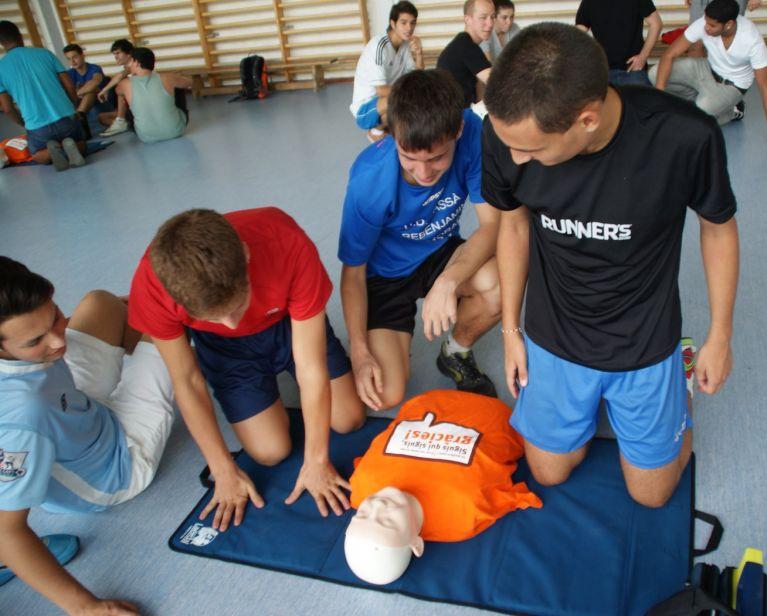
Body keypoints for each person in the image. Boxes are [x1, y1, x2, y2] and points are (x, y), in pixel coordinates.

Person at [482, 24, 739, 508]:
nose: (515, 158)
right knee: (549, 473)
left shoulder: (684, 136)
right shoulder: (506, 131)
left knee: (652, 496)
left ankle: (676, 388)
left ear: (587, 119)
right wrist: (511, 331)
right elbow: (513, 226)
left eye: (531, 150)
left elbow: (718, 228)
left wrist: (720, 336)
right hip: (556, 328)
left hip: (643, 335)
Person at [128, 207, 365, 531]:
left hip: (287, 322)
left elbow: (311, 366)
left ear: (245, 254)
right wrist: (222, 469)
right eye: (215, 317)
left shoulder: (286, 241)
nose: (231, 322)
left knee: (348, 418)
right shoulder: (151, 284)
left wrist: (316, 460)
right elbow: (187, 380)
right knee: (270, 452)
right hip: (226, 350)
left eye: (237, 305)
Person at [0, 257, 175, 615]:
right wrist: (87, 608)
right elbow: (6, 532)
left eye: (55, 316)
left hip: (77, 408)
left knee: (101, 302)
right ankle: (175, 352)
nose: (56, 339)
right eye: (35, 340)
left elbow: (50, 340)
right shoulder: (23, 418)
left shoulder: (36, 356)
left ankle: (156, 347)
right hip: (116, 468)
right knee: (174, 321)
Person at [339, 69, 501, 412]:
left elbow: (492, 226)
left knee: (500, 282)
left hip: (439, 252)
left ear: (457, 131)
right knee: (386, 395)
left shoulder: (472, 131)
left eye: (437, 158)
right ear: (393, 135)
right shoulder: (368, 181)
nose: (423, 173)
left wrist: (448, 281)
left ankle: (455, 351)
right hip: (384, 277)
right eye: (409, 158)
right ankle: (379, 341)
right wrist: (359, 351)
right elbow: (352, 273)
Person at [345, 390, 541, 585]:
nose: (377, 505)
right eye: (387, 522)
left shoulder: (362, 485)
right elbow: (511, 497)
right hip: (491, 411)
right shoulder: (464, 513)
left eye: (362, 514)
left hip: (426, 400)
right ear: (416, 544)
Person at [651, 0, 767, 147]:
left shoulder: (752, 40)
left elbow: (766, 90)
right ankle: (700, 101)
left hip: (732, 86)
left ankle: (733, 110)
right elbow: (669, 55)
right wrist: (658, 97)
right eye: (706, 22)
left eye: (712, 26)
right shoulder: (705, 23)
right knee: (655, 74)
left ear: (728, 24)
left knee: (700, 112)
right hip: (707, 70)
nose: (706, 28)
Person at [0, 21, 85, 170]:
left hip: (38, 126)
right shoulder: (45, 53)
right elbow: (70, 86)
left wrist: (25, 124)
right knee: (82, 144)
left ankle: (51, 151)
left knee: (37, 155)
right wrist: (73, 106)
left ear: (1, 43)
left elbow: (7, 108)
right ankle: (70, 145)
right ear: (20, 36)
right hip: (66, 118)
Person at [350, 1, 424, 141]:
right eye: (404, 23)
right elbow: (381, 91)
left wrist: (419, 54)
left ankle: (387, 127)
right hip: (365, 110)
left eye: (412, 23)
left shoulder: (404, 44)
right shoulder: (379, 46)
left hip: (386, 101)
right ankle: (376, 131)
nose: (409, 28)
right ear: (393, 23)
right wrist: (411, 93)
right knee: (408, 98)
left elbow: (417, 77)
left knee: (415, 94)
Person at [576, 0, 663, 86]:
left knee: (643, 95)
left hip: (632, 69)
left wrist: (643, 57)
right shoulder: (589, 2)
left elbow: (656, 24)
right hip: (603, 71)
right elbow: (577, 35)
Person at [114, 47, 190, 143]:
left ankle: (120, 122)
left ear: (136, 62)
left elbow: (117, 92)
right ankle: (173, 120)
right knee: (178, 87)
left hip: (146, 136)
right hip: (176, 131)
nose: (128, 66)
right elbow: (188, 82)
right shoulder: (167, 77)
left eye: (130, 62)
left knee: (126, 96)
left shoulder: (124, 84)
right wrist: (176, 78)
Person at [436, 0, 494, 106]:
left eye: (492, 17)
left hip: (457, 110)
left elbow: (481, 88)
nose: (490, 24)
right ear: (468, 19)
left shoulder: (465, 43)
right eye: (483, 17)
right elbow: (497, 82)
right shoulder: (465, 45)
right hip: (453, 113)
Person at [62, 43, 109, 135]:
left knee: (91, 90)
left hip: (102, 106)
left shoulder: (94, 68)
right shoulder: (69, 73)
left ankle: (78, 121)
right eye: (69, 59)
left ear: (82, 55)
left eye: (75, 57)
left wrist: (77, 93)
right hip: (82, 108)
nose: (72, 62)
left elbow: (95, 82)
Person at [98, 39, 133, 136]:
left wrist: (104, 90)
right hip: (132, 107)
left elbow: (120, 76)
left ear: (129, 54)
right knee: (101, 117)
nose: (116, 57)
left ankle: (121, 121)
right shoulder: (127, 68)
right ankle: (126, 123)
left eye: (118, 53)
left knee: (120, 85)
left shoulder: (135, 63)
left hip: (143, 105)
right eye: (114, 54)